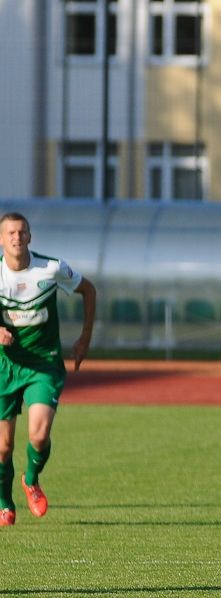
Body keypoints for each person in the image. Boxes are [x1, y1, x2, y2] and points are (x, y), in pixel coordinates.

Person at [0, 212, 96, 526]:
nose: (17, 237)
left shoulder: (51, 268)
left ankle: (30, 479)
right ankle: (4, 503)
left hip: (44, 364)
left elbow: (89, 290)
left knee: (39, 437)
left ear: (30, 237)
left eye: (22, 232)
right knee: (3, 447)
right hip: (6, 366)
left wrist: (84, 339)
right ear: (2, 239)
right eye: (11, 233)